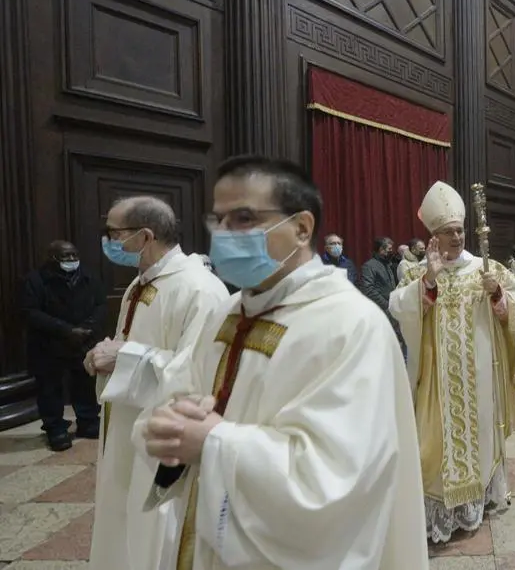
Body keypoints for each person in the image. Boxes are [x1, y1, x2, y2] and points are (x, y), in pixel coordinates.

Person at [137, 155, 428, 569]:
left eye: (243, 218)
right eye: (217, 220)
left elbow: (337, 481)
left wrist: (213, 442)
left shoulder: (351, 325)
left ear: (302, 228)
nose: (223, 234)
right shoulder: (227, 312)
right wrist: (171, 432)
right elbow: (180, 398)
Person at [85, 196, 230, 570]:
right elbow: (127, 347)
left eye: (114, 233)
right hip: (123, 426)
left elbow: (201, 376)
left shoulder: (201, 289)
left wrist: (125, 358)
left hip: (162, 437)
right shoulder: (138, 284)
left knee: (155, 532)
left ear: (144, 236)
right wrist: (106, 359)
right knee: (121, 517)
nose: (108, 241)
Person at [389, 180, 515, 543]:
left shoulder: (486, 268)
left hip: (480, 375)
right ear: (434, 237)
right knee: (433, 444)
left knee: (480, 435)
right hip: (438, 378)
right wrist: (430, 281)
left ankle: (477, 501)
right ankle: (442, 510)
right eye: (448, 232)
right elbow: (398, 306)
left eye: (460, 230)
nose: (457, 237)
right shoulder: (417, 271)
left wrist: (497, 293)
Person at [22, 240, 106, 451]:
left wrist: (88, 327)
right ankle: (55, 428)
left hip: (82, 341)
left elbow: (100, 304)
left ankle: (87, 422)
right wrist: (66, 330)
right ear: (52, 258)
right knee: (50, 389)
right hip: (49, 343)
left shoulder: (88, 276)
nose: (71, 260)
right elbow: (30, 312)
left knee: (85, 384)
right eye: (65, 256)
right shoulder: (36, 280)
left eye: (74, 255)